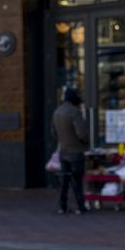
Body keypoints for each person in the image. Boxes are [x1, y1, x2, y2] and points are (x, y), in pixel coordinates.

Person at [51, 86, 89, 215]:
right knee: (77, 181)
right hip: (76, 152)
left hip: (63, 152)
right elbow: (82, 134)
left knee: (64, 182)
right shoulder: (75, 112)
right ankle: (80, 206)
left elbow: (54, 134)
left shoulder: (57, 112)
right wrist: (85, 142)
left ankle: (62, 206)